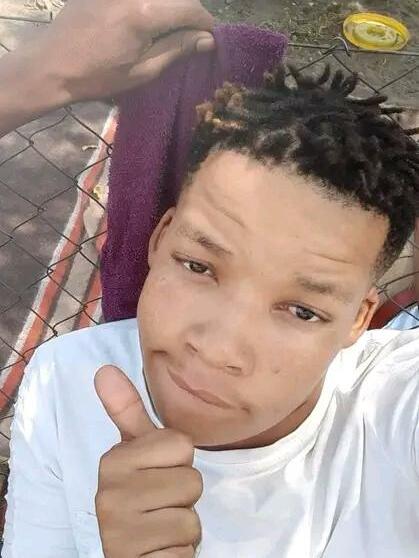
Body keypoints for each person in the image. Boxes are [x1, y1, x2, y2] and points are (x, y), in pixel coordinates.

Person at [2, 2, 419, 558]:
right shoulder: (64, 381)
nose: (219, 349)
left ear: (358, 321)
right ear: (160, 239)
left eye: (302, 310)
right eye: (198, 266)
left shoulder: (395, 406)